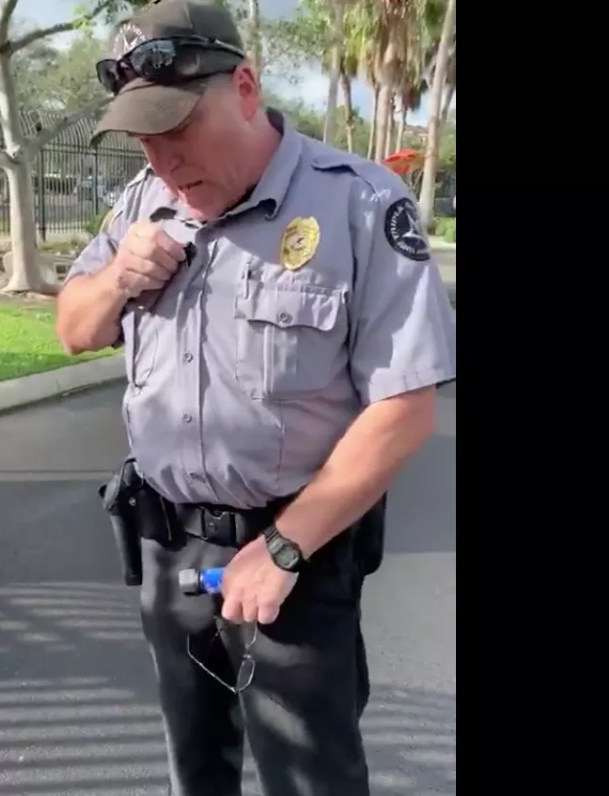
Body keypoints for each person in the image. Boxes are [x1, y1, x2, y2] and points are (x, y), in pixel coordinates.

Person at [55, 2, 456, 794]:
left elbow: (404, 409)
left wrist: (282, 549)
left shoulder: (359, 206)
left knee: (310, 778)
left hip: (292, 558)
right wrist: (117, 279)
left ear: (244, 87)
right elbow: (74, 327)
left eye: (179, 131)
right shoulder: (141, 205)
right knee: (195, 770)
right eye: (143, 139)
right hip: (170, 554)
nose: (163, 160)